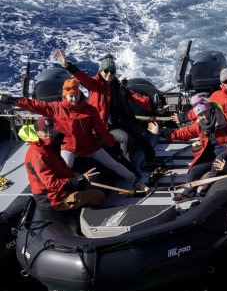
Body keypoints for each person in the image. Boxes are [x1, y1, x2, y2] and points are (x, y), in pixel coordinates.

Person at [7, 80, 143, 190]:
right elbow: (33, 104)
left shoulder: (90, 110)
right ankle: (66, 191)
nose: (73, 98)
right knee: (64, 169)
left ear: (80, 94)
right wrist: (11, 100)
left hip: (89, 146)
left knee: (112, 163)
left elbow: (101, 130)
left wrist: (113, 146)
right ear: (65, 96)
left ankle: (134, 179)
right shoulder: (55, 108)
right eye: (70, 95)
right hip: (68, 147)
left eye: (76, 95)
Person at [53, 49, 157, 167]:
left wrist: (151, 103)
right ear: (100, 71)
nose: (109, 74)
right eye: (106, 71)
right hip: (102, 126)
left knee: (141, 133)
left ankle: (151, 159)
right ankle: (128, 165)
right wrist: (67, 65)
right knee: (124, 138)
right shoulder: (94, 84)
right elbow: (82, 76)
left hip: (119, 121)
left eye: (112, 72)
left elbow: (132, 96)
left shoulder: (116, 85)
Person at [149, 94, 227, 197]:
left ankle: (207, 187)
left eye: (205, 112)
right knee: (194, 170)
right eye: (200, 115)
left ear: (209, 109)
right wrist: (161, 131)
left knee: (218, 161)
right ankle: (188, 193)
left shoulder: (224, 117)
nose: (204, 117)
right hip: (213, 153)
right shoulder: (200, 124)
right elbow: (184, 133)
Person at [22, 116, 105, 211]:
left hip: (62, 189)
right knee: (99, 195)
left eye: (51, 129)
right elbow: (51, 184)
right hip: (54, 199)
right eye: (45, 131)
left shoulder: (49, 146)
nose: (49, 134)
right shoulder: (37, 155)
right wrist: (79, 179)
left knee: (94, 183)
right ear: (36, 133)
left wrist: (79, 178)